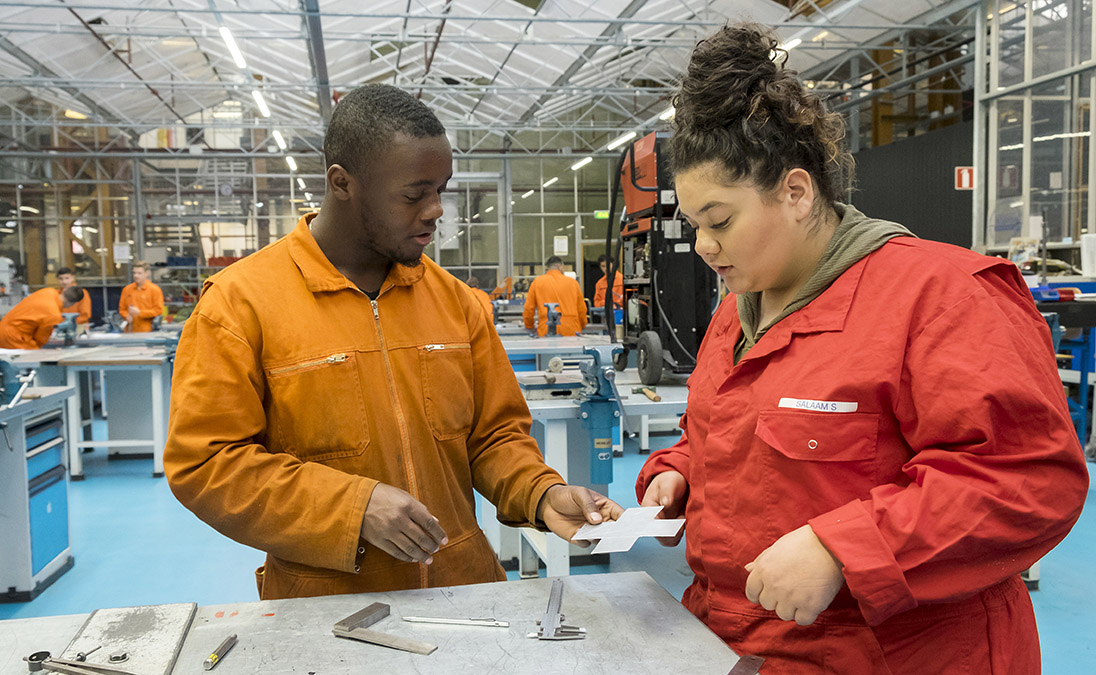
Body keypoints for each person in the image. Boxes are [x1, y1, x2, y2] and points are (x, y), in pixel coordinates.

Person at [635, 23, 1088, 675]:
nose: (704, 247)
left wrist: (843, 546)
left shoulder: (938, 298)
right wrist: (677, 473)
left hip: (894, 654)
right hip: (742, 645)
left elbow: (1026, 478)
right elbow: (728, 436)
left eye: (720, 220)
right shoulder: (739, 309)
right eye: (693, 224)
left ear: (795, 193)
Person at [165, 84, 621, 601]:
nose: (435, 211)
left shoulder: (455, 303)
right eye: (413, 194)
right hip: (326, 608)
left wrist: (542, 493)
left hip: (464, 590)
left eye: (441, 190)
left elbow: (494, 438)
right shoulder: (240, 304)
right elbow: (207, 463)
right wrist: (351, 507)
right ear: (343, 184)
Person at [0, 286, 84, 349]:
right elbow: (40, 339)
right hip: (14, 336)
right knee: (29, 365)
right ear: (72, 304)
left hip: (3, 327)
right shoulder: (53, 315)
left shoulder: (48, 291)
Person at [523, 256, 587, 336]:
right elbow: (581, 309)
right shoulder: (573, 283)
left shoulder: (537, 282)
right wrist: (582, 324)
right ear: (560, 266)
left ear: (548, 268)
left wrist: (529, 326)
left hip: (546, 329)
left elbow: (529, 309)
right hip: (571, 329)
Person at [118, 261, 164, 332]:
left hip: (147, 331)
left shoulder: (154, 290)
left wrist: (140, 313)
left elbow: (158, 311)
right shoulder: (127, 290)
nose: (136, 275)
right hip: (129, 331)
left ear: (147, 273)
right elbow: (122, 309)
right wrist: (126, 315)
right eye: (134, 273)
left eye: (139, 273)